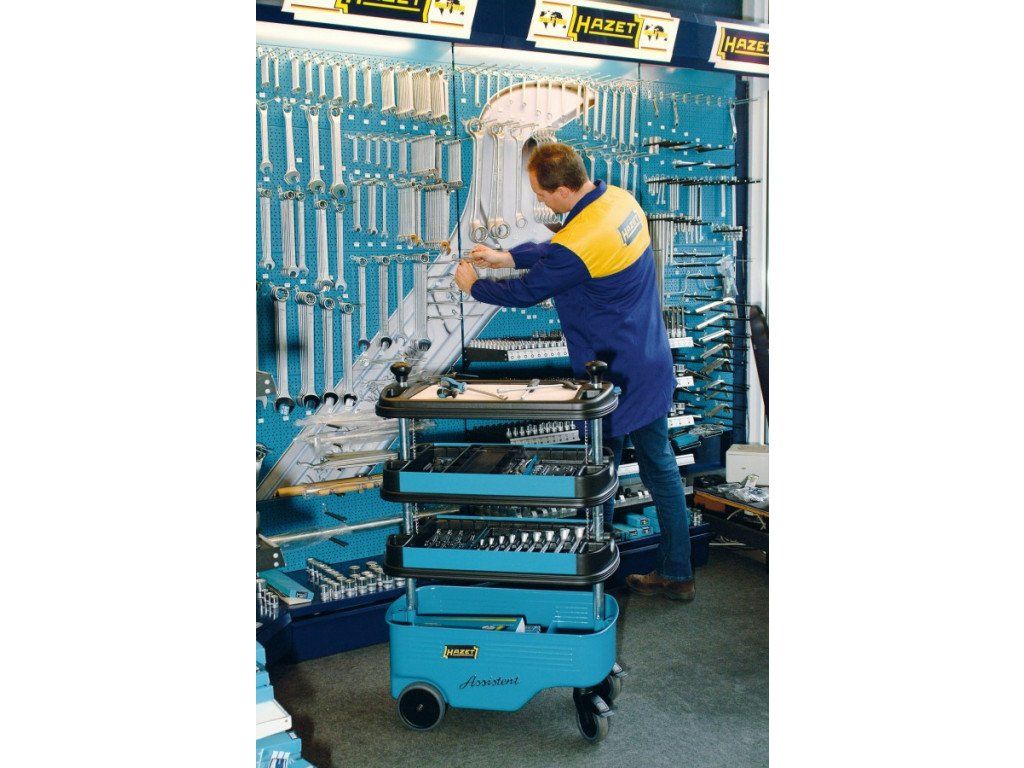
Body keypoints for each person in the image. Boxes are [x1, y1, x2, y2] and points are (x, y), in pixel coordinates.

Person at [453, 142, 694, 602]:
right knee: (660, 471)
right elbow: (565, 247)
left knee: (596, 477)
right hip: (648, 359)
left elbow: (532, 289)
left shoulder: (577, 243)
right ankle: (677, 573)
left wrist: (475, 287)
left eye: (542, 194)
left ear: (563, 189)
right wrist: (508, 258)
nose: (540, 201)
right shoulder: (618, 201)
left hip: (611, 376)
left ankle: (589, 580)